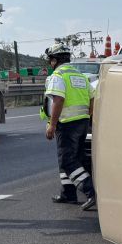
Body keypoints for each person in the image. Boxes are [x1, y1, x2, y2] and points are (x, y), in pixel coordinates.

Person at [42, 43, 97, 210]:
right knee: (73, 158)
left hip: (66, 123)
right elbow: (93, 97)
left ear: (54, 60)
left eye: (50, 60)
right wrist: (88, 116)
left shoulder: (58, 76)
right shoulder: (79, 75)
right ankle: (68, 194)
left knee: (67, 161)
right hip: (82, 122)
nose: (50, 63)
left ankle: (90, 192)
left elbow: (58, 100)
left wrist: (52, 124)